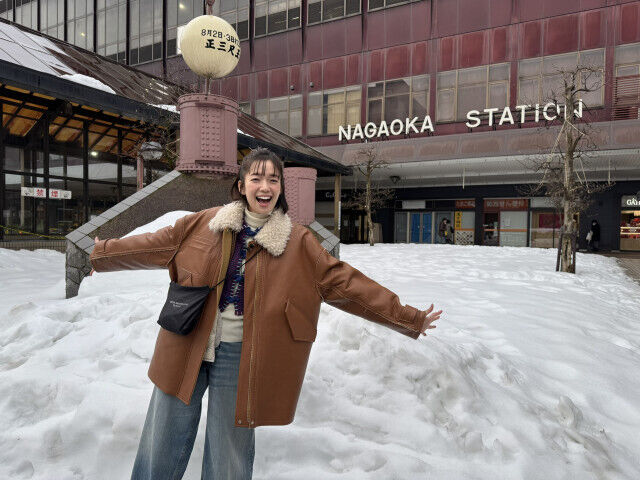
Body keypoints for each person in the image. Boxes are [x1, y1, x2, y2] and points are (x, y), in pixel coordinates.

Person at [90, 148, 442, 480]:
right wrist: (103, 254)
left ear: (280, 189)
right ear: (241, 185)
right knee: (162, 436)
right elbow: (155, 243)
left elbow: (347, 284)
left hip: (240, 354)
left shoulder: (298, 242)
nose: (265, 186)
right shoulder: (204, 223)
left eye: (273, 179)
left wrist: (409, 318)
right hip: (186, 341)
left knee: (229, 449)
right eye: (257, 178)